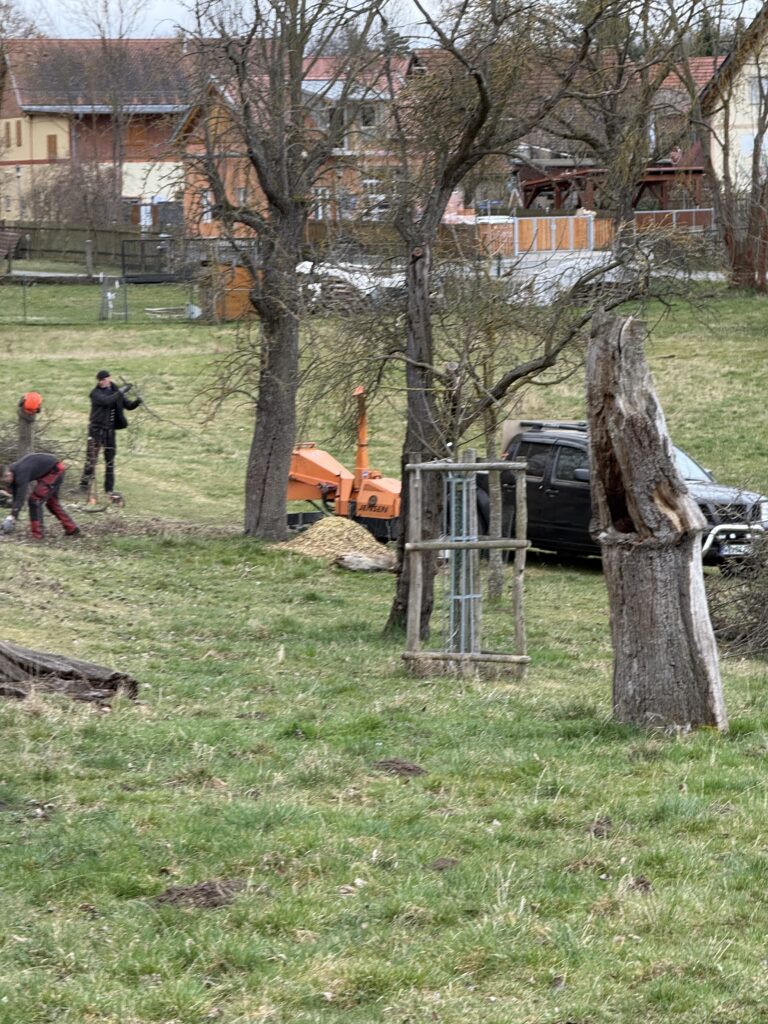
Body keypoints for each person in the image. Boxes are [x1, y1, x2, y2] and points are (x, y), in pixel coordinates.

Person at [79, 369, 142, 498]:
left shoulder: (115, 391)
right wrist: (121, 391)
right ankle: (84, 486)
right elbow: (106, 401)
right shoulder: (95, 393)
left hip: (110, 431)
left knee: (110, 461)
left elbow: (128, 405)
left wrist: (138, 401)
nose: (102, 382)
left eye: (104, 379)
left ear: (109, 378)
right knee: (91, 459)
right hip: (96, 431)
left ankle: (109, 489)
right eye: (100, 380)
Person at [1, 453, 80, 540]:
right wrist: (13, 516)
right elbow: (16, 496)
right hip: (48, 472)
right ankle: (72, 528)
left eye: (4, 481)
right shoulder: (13, 472)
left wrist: (13, 515)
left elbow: (20, 496)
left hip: (55, 470)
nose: (5, 484)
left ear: (8, 474)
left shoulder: (21, 473)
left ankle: (38, 535)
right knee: (52, 502)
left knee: (35, 500)